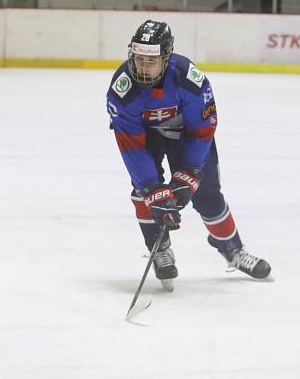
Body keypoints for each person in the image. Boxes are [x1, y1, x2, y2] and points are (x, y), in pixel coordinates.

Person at [106, 20, 271, 290]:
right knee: (144, 194)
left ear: (166, 58)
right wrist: (152, 187)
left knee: (207, 194)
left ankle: (232, 250)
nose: (143, 67)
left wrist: (191, 171)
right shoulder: (122, 91)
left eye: (151, 60)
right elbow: (131, 145)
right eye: (138, 59)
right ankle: (160, 249)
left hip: (187, 134)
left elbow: (203, 128)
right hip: (147, 136)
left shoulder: (189, 79)